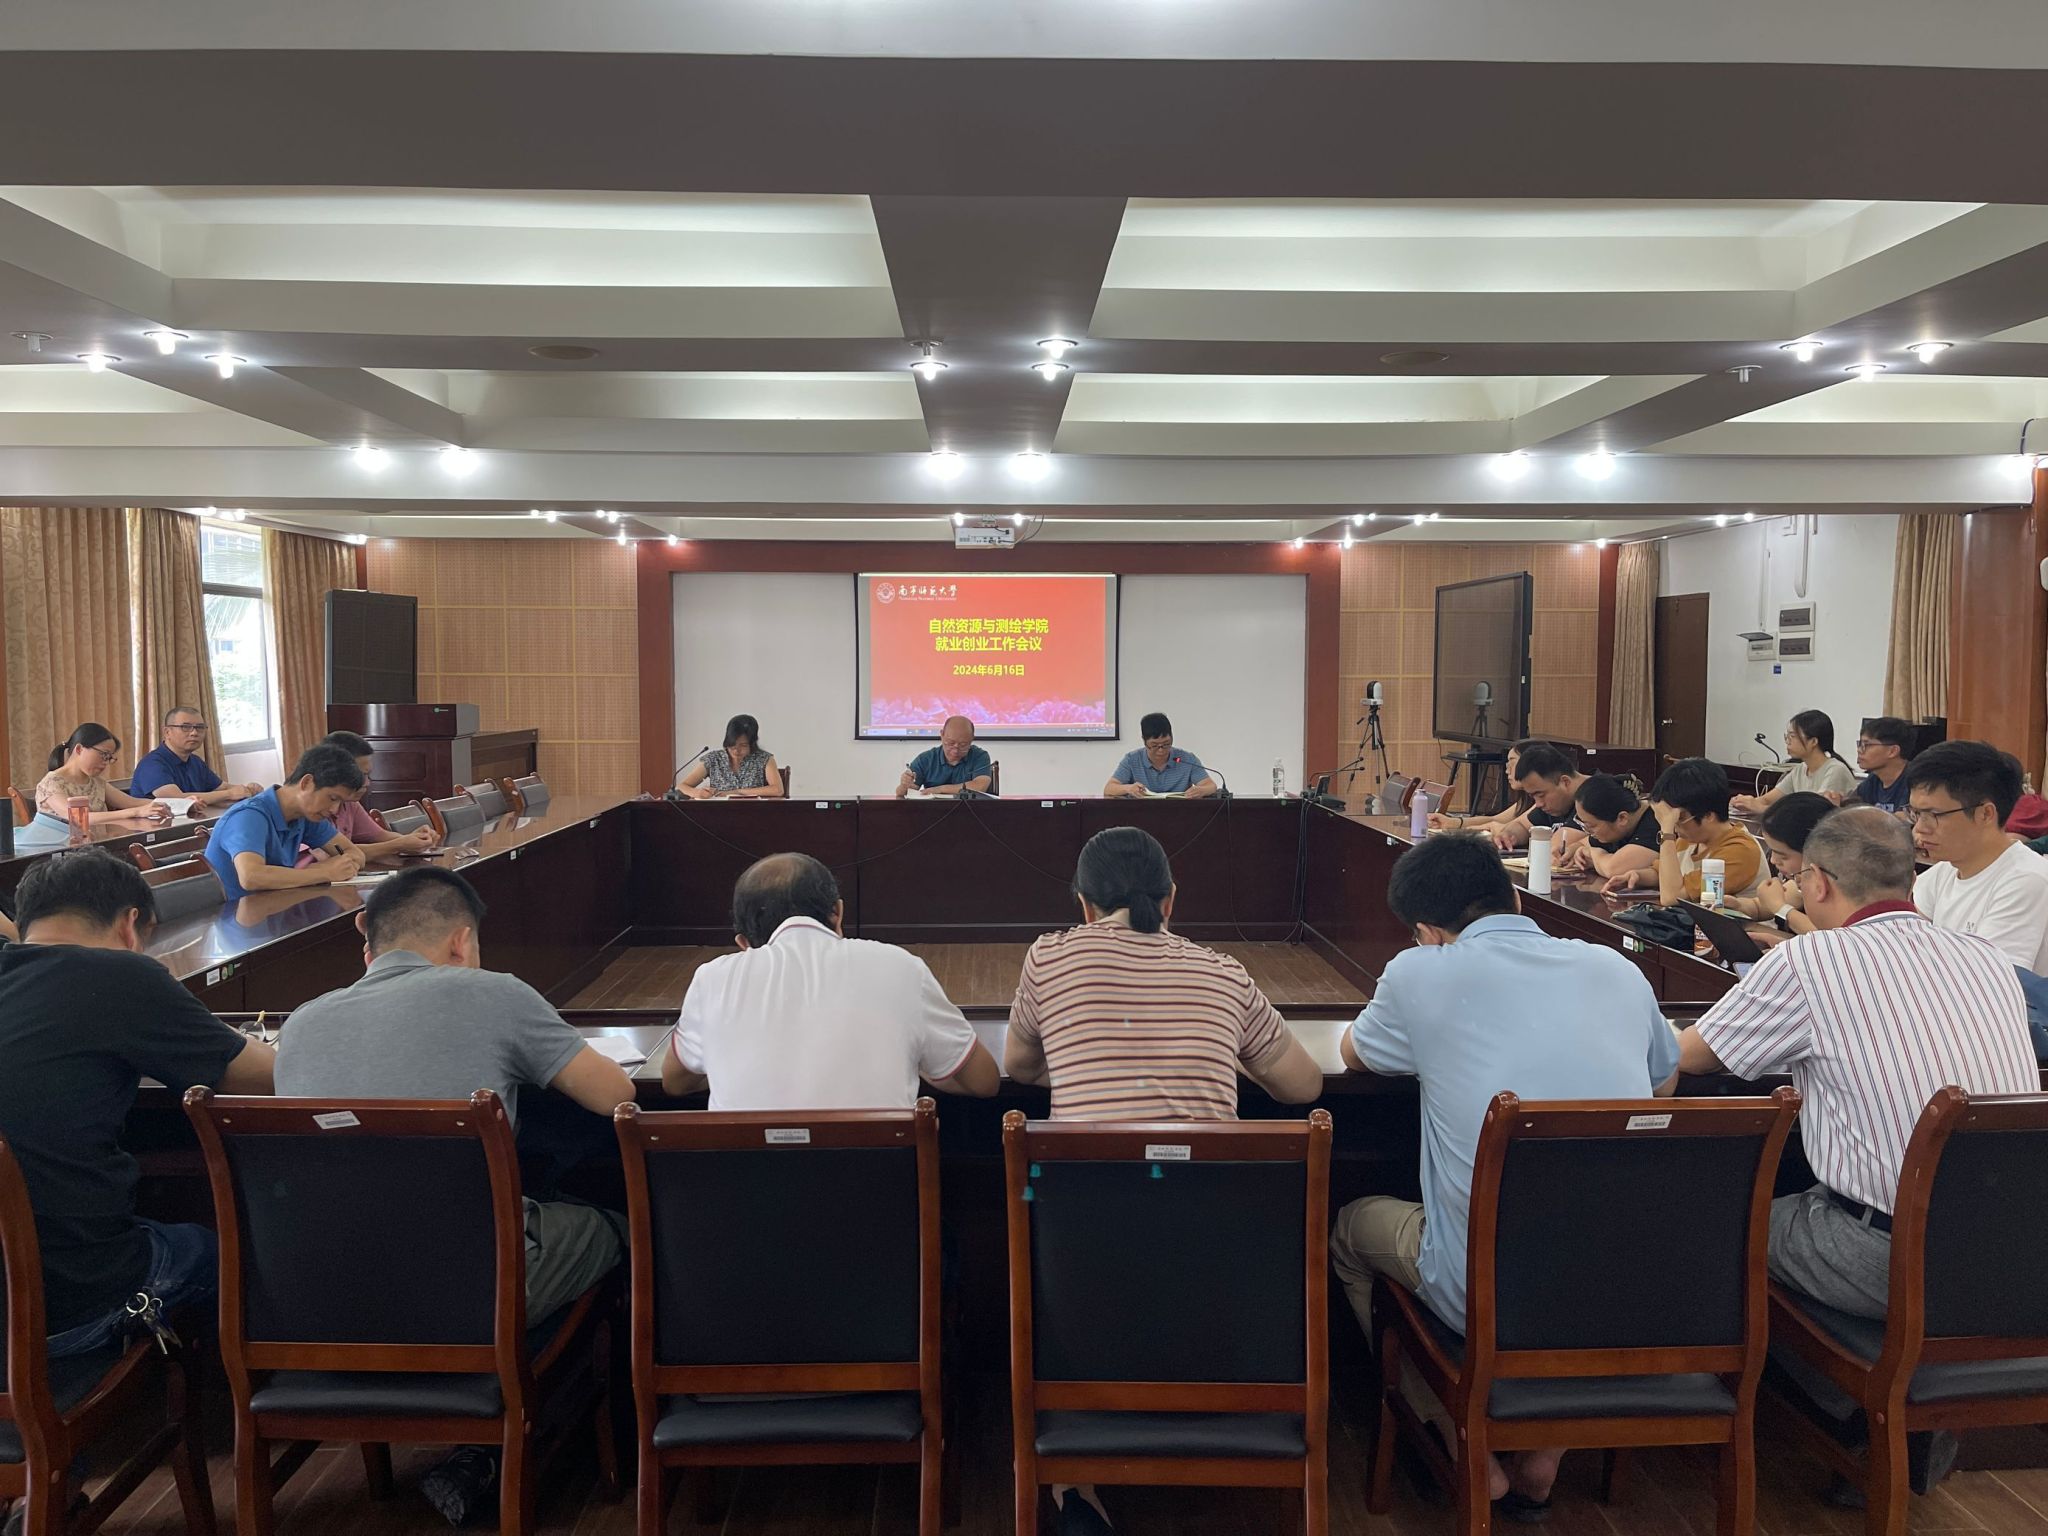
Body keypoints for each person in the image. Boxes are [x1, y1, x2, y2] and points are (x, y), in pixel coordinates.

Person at [1676, 808, 2035, 1494]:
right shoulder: (1986, 959)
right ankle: (1889, 1420)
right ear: (1911, 878)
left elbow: (1689, 1058)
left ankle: (1844, 1412)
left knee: (1711, 1222)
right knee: (1813, 1193)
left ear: (1816, 882)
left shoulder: (1809, 959)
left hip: (1889, 1259)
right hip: (2017, 1255)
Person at [275, 865, 636, 1526]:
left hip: (319, 1297)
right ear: (461, 941)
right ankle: (540, 1443)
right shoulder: (493, 993)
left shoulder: (301, 1024)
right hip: (474, 1291)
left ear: (367, 946)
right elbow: (616, 1095)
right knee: (617, 1225)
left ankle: (489, 1440)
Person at [1333, 833, 1677, 1517]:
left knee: (1346, 1229)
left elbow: (1354, 1054)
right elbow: (1662, 1083)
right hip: (1630, 1287)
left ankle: (1455, 1432)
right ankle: (1545, 1454)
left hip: (1487, 1290)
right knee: (1583, 1247)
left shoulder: (1419, 972)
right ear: (1515, 898)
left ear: (1428, 932)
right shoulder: (1615, 968)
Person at [0, 849, 274, 1360]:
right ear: (130, 925)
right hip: (67, 1311)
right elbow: (260, 1077)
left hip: (12, 1314)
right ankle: (243, 1400)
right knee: (230, 1252)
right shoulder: (118, 974)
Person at [1005, 826, 1323, 1118]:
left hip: (1082, 1165)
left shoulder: (1047, 959)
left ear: (1086, 907)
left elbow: (1021, 1067)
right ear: (1169, 900)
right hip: (1207, 1166)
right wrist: (1230, 1058)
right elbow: (1304, 1086)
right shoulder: (1226, 976)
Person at [659, 853, 1000, 1105]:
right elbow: (984, 1081)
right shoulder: (901, 967)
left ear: (743, 943)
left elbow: (675, 1082)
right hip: (877, 1182)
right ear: (837, 912)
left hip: (743, 1182)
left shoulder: (713, 979)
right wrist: (916, 1062)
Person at [1908, 741, 2048, 973]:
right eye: (1916, 813)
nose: (1920, 828)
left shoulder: (2026, 880)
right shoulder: (1945, 871)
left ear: (1985, 814)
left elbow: (1987, 977)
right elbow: (1906, 939)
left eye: (1933, 815)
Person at [201, 744, 368, 899]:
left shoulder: (307, 816)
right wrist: (324, 872)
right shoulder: (248, 816)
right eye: (332, 798)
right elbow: (251, 877)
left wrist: (342, 865)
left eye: (340, 802)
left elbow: (355, 854)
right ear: (307, 783)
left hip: (275, 907)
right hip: (235, 914)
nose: (334, 809)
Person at [1603, 757, 1765, 901]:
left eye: (1679, 818)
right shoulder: (1691, 838)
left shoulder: (1740, 851)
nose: (1674, 826)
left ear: (1708, 815)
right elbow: (1662, 873)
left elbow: (1672, 896)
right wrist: (1637, 876)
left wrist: (1666, 832)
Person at [295, 730, 438, 867]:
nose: (367, 783)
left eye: (368, 775)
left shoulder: (350, 804)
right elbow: (332, 855)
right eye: (361, 775)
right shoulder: (311, 809)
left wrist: (417, 840)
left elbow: (377, 837)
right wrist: (399, 844)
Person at [1722, 792, 1837, 937]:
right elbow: (1760, 907)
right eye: (1772, 852)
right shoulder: (1798, 884)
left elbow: (1829, 938)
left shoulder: (1842, 890)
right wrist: (1739, 906)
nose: (1773, 860)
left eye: (1783, 856)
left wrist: (1781, 908)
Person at [33, 723, 172, 829]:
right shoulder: (52, 783)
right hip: (61, 853)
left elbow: (131, 802)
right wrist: (135, 812)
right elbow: (77, 818)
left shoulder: (96, 782)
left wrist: (175, 804)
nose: (105, 762)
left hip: (96, 847)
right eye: (104, 755)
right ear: (79, 749)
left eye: (109, 758)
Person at [127, 705, 260, 808]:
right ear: (167, 732)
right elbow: (177, 800)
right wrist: (229, 794)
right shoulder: (152, 764)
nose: (194, 733)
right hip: (158, 830)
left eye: (200, 727)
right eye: (186, 727)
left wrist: (248, 789)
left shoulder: (195, 761)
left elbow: (222, 787)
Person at [1733, 710, 1857, 813]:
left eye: (1792, 736)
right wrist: (1745, 802)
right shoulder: (1800, 769)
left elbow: (1811, 813)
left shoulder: (1835, 770)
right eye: (1787, 737)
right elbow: (1767, 800)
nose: (1788, 741)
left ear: (1813, 741)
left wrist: (1761, 809)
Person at [1553, 773, 1659, 881]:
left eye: (1591, 826)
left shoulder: (1655, 824)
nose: (1589, 833)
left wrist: (1593, 854)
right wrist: (1573, 849)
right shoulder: (1613, 826)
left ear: (1622, 818)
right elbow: (1583, 844)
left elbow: (1613, 870)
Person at [1426, 738, 1546, 833]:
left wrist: (1461, 829)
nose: (1507, 771)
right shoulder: (1526, 799)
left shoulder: (1542, 800)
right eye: (1507, 764)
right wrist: (1452, 822)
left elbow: (1508, 828)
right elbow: (1495, 819)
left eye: (1512, 763)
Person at [1486, 743, 1583, 850]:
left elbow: (1557, 845)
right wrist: (1508, 835)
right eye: (1533, 796)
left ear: (1565, 782)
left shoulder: (1594, 796)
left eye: (1541, 795)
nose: (1538, 804)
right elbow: (1522, 825)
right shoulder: (1555, 801)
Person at [1103, 712, 1218, 798]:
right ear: (1144, 741)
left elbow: (1210, 786)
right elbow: (1109, 789)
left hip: (1180, 814)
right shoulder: (1131, 760)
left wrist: (1201, 790)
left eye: (1166, 744)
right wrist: (1128, 788)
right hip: (1140, 815)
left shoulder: (1187, 759)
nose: (1161, 750)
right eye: (1154, 745)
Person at [673, 713, 785, 800]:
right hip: (718, 814)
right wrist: (697, 793)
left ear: (752, 743)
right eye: (732, 745)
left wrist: (737, 792)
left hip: (753, 814)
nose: (736, 750)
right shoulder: (713, 759)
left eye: (743, 745)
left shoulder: (764, 759)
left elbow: (778, 790)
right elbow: (681, 786)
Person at [896, 715, 993, 797]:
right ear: (942, 735)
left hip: (970, 811)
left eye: (963, 745)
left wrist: (940, 789)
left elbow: (980, 786)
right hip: (933, 811)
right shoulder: (926, 759)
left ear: (971, 739)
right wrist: (904, 785)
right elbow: (903, 793)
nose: (955, 750)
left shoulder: (979, 756)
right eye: (951, 743)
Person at [1846, 716, 1916, 813]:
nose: (1859, 750)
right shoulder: (1873, 780)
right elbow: (1851, 809)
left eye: (1867, 745)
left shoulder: (1916, 781)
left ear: (1893, 751)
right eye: (1860, 744)